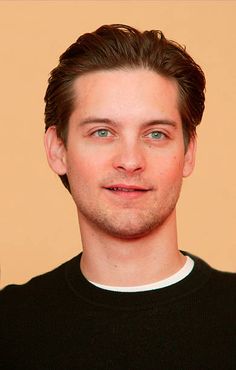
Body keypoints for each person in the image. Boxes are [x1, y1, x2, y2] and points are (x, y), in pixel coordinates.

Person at [0, 24, 235, 370]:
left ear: (188, 153)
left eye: (156, 134)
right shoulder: (10, 325)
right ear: (58, 150)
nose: (130, 161)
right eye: (102, 132)